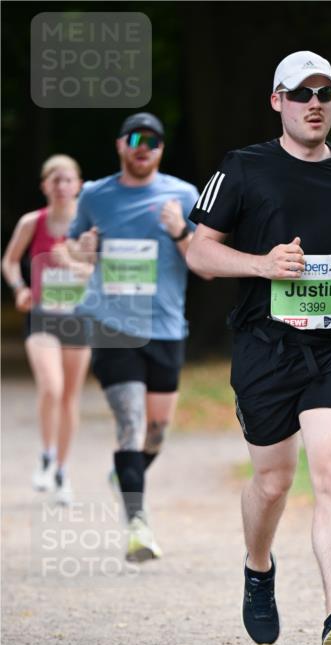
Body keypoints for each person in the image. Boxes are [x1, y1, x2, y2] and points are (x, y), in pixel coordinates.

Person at [187, 50, 331, 645]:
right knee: (274, 482)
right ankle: (258, 567)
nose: (314, 104)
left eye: (325, 93)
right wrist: (261, 264)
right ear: (277, 100)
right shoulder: (243, 168)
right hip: (264, 345)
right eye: (301, 93)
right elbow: (199, 252)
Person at [66, 113, 201, 561]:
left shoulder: (183, 195)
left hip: (165, 326)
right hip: (112, 324)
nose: (145, 146)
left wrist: (179, 230)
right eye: (137, 138)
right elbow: (73, 245)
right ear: (121, 144)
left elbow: (203, 261)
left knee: (156, 433)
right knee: (132, 423)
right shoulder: (95, 195)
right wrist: (82, 250)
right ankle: (138, 524)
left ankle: (126, 475)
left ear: (161, 150)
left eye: (155, 141)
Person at [2, 154, 90, 504]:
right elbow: (9, 261)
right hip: (42, 316)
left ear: (78, 185)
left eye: (68, 179)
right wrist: (19, 288)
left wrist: (73, 265)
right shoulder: (32, 222)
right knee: (51, 387)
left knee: (69, 396)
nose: (62, 186)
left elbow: (101, 271)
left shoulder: (89, 225)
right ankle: (46, 454)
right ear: (45, 186)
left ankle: (62, 471)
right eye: (56, 180)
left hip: (78, 318)